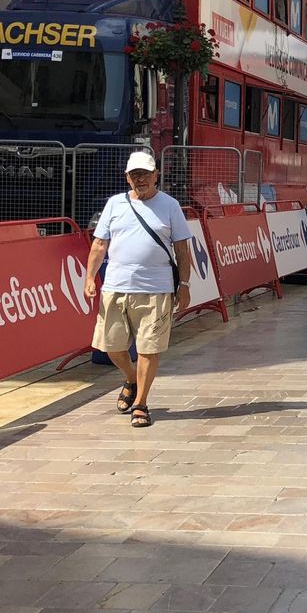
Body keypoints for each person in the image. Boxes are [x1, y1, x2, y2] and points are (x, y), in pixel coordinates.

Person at [84, 150, 191, 430]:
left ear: (156, 175)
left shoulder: (170, 206)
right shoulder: (114, 204)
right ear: (127, 178)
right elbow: (99, 244)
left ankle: (141, 403)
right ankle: (131, 378)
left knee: (149, 348)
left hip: (156, 289)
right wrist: (89, 277)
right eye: (135, 175)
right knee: (111, 346)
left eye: (145, 174)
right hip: (116, 287)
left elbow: (182, 249)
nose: (140, 179)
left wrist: (185, 284)